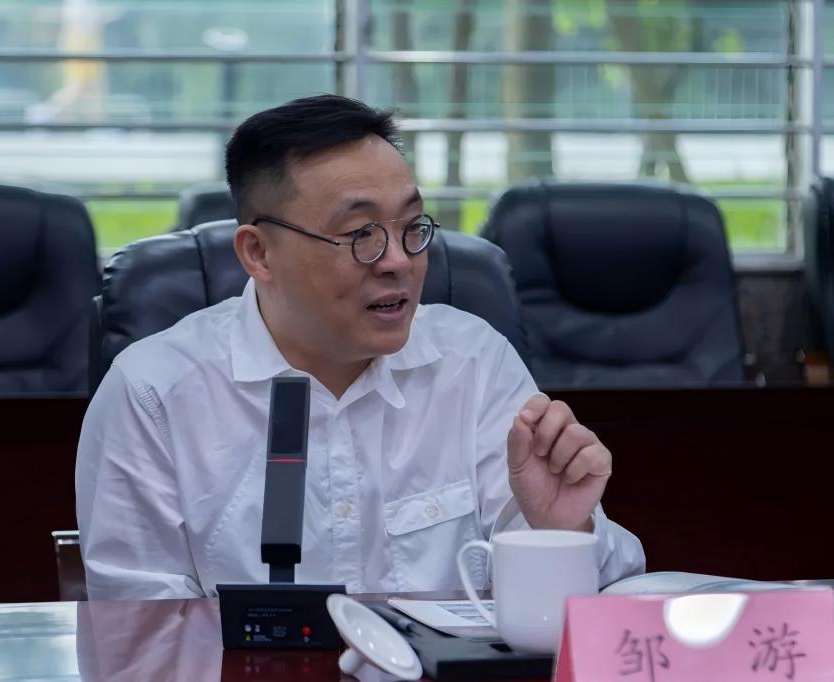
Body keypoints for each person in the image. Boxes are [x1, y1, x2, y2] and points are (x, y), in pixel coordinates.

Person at [76, 94, 645, 600]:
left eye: (412, 226)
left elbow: (570, 613)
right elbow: (140, 635)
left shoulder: (475, 364)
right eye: (361, 235)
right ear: (259, 253)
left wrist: (559, 533)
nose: (398, 260)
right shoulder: (153, 393)